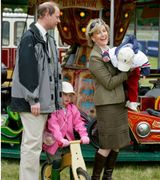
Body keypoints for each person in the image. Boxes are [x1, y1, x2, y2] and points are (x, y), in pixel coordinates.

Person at [10, 2, 63, 180]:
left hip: (41, 102)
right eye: (57, 16)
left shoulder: (46, 38)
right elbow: (27, 71)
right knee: (31, 145)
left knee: (34, 144)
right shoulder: (30, 38)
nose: (59, 20)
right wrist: (33, 100)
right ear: (46, 14)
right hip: (33, 103)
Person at [86, 18, 131, 180]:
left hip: (119, 103)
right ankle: (95, 178)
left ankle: (108, 177)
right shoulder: (95, 57)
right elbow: (109, 82)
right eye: (98, 32)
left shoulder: (112, 51)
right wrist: (127, 73)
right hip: (107, 105)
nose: (102, 34)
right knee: (107, 145)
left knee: (117, 144)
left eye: (104, 30)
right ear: (92, 37)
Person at [42, 81, 90, 179]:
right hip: (54, 142)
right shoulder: (54, 109)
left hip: (68, 142)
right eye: (64, 95)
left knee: (74, 160)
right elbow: (53, 126)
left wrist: (84, 135)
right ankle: (55, 178)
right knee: (57, 161)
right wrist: (60, 139)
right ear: (58, 95)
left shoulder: (73, 108)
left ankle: (75, 176)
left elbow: (79, 123)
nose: (67, 98)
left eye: (70, 95)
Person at [105, 35, 150, 111]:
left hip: (133, 68)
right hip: (118, 68)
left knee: (133, 84)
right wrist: (105, 56)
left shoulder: (139, 57)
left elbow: (146, 64)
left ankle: (132, 101)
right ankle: (120, 99)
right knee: (118, 82)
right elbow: (107, 52)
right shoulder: (115, 52)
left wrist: (144, 72)